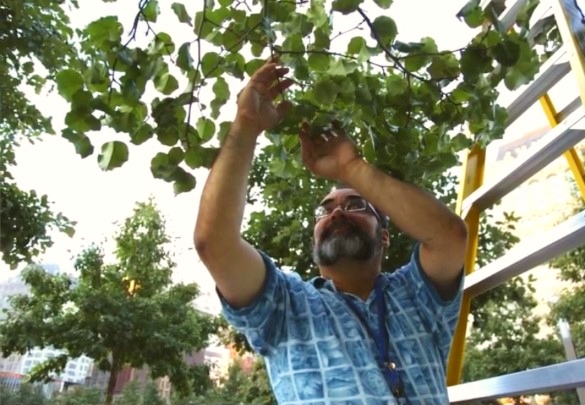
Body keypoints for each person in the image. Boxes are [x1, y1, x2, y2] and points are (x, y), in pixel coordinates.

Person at [194, 58, 468, 405]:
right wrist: (246, 125)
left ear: (384, 236)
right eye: (323, 211)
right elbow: (214, 243)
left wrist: (351, 168)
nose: (336, 211)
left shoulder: (417, 296)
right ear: (315, 236)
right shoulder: (285, 305)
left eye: (355, 204)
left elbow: (450, 236)